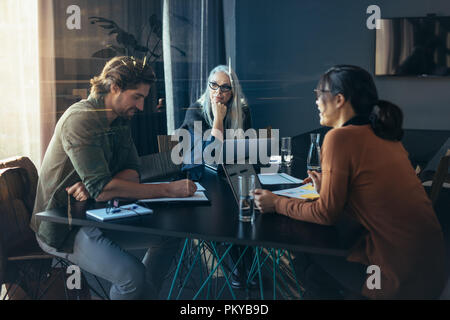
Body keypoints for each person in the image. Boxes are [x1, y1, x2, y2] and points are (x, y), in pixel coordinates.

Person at [254, 65, 446, 299]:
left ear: (339, 99)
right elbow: (374, 194)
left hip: (392, 275)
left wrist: (276, 203)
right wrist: (329, 185)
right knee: (318, 269)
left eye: (318, 94)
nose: (315, 102)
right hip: (431, 269)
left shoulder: (339, 138)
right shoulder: (384, 134)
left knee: (304, 249)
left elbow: (326, 214)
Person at [31, 56, 197, 300]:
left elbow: (133, 171)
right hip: (64, 225)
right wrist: (168, 190)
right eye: (137, 97)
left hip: (98, 212)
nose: (140, 106)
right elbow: (102, 189)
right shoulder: (80, 119)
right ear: (115, 87)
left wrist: (104, 185)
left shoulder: (119, 120)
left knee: (169, 238)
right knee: (132, 277)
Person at [179, 65, 255, 289]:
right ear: (208, 85)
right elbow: (210, 154)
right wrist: (218, 119)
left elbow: (246, 150)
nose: (218, 92)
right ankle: (238, 269)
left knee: (248, 204)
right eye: (214, 85)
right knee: (229, 208)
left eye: (225, 87)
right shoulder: (195, 110)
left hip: (229, 173)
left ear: (233, 92)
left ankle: (245, 267)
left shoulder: (242, 111)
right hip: (200, 176)